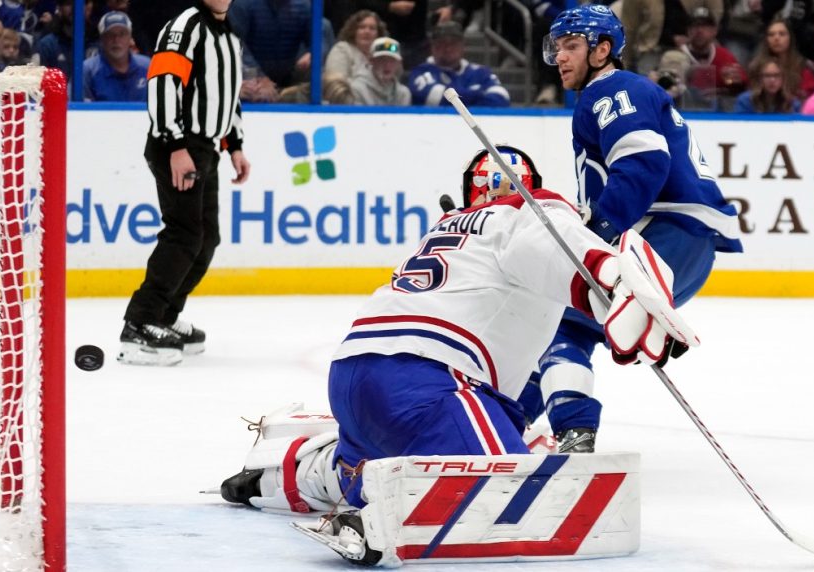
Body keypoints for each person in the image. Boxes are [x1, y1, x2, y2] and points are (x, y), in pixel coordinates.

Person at [219, 145, 677, 565]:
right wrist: (610, 275)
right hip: (428, 380)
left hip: (353, 372)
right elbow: (552, 242)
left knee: (367, 463)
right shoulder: (528, 212)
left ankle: (280, 477)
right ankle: (380, 520)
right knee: (520, 496)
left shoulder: (448, 226)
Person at [538, 4, 742, 452]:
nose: (561, 57)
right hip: (687, 246)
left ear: (602, 50)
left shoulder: (612, 90)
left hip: (662, 237)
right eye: (556, 48)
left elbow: (643, 163)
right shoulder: (617, 92)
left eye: (571, 46)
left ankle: (567, 429)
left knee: (558, 326)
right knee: (571, 327)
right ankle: (511, 419)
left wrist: (597, 231)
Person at [119, 0, 251, 366]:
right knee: (184, 234)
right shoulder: (185, 27)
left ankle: (164, 314)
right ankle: (140, 321)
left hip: (205, 148)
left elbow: (227, 95)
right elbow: (163, 84)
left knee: (206, 238)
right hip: (178, 145)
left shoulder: (229, 35)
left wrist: (235, 145)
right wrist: (174, 145)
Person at [408, 20, 510, 107]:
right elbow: (437, 99)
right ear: (432, 47)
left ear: (463, 46)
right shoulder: (421, 72)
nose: (448, 48)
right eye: (442, 43)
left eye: (453, 43)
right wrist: (479, 93)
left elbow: (502, 98)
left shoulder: (480, 72)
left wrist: (462, 96)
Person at [678, 6, 746, 107]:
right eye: (695, 26)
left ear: (715, 31)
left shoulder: (724, 56)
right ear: (688, 31)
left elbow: (742, 86)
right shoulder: (676, 56)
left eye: (705, 26)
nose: (699, 31)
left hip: (717, 111)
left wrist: (736, 84)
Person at [82, 11, 151, 102]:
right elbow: (77, 108)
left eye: (122, 34)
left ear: (130, 38)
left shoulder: (147, 67)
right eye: (110, 35)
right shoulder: (88, 70)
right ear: (102, 39)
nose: (116, 40)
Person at [754, 17, 814, 102]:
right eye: (771, 34)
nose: (776, 38)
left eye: (782, 34)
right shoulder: (756, 67)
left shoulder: (804, 67)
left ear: (790, 38)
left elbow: (813, 100)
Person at [324, 9, 388, 82]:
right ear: (353, 31)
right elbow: (335, 82)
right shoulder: (342, 49)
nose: (367, 32)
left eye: (372, 28)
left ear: (378, 34)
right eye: (362, 27)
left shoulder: (383, 55)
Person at [350, 36, 411, 105]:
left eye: (392, 60)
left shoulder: (403, 94)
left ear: (399, 63)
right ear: (371, 61)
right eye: (382, 60)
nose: (387, 65)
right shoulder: (356, 89)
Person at [733, 57, 800, 113]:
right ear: (759, 78)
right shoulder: (745, 101)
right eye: (767, 75)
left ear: (783, 78)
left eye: (777, 75)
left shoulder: (792, 103)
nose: (772, 80)